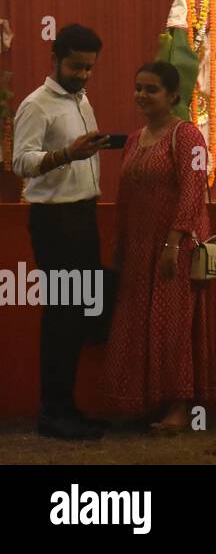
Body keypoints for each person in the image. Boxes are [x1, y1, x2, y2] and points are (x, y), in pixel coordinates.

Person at [12, 24, 112, 440]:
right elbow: (20, 162)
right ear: (55, 59)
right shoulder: (36, 105)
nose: (84, 75)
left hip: (83, 215)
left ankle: (67, 406)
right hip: (55, 221)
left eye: (89, 68)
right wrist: (65, 155)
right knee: (61, 317)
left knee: (77, 317)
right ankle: (52, 412)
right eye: (76, 66)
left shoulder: (81, 99)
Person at [104, 62, 214, 432]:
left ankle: (180, 408)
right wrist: (120, 246)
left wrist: (174, 241)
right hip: (139, 247)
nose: (142, 95)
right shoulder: (136, 139)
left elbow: (193, 189)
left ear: (173, 97)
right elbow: (125, 196)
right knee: (138, 324)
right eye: (138, 87)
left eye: (151, 89)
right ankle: (146, 402)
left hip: (174, 247)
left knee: (173, 325)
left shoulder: (187, 136)